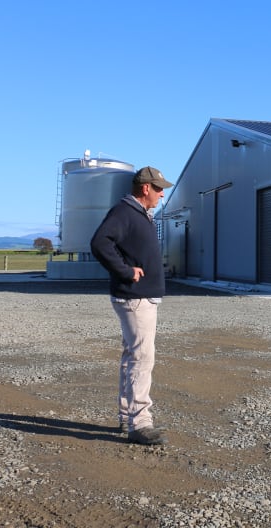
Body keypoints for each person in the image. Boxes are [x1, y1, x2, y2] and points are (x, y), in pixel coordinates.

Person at [90, 166, 173, 446]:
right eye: (159, 188)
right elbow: (100, 243)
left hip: (140, 296)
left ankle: (128, 417)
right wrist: (126, 271)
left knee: (133, 356)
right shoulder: (125, 212)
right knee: (141, 358)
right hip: (135, 297)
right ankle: (139, 423)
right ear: (145, 188)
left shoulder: (140, 214)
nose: (163, 193)